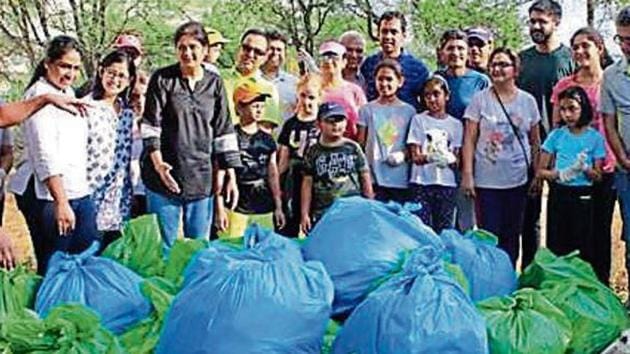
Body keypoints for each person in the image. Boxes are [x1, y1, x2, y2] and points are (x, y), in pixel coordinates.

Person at [141, 22, 241, 252]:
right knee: (163, 248)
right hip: (163, 178)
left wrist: (231, 176)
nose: (187, 53)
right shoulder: (163, 79)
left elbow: (223, 130)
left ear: (205, 49)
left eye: (193, 47)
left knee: (198, 248)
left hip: (200, 177)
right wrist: (158, 165)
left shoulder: (214, 83)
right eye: (182, 47)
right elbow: (150, 126)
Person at [9, 35, 100, 275]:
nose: (70, 73)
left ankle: (75, 307)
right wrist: (61, 201)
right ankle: (48, 310)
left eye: (75, 68)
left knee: (86, 251)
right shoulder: (38, 95)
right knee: (55, 260)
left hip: (77, 188)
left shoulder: (68, 92)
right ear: (48, 64)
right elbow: (44, 153)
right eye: (64, 66)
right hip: (47, 194)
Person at [461, 48, 541, 266]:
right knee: (488, 236)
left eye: (503, 64)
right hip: (486, 181)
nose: (497, 69)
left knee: (512, 236)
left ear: (515, 69)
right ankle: (491, 281)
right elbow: (469, 139)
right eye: (494, 64)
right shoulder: (479, 100)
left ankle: (509, 282)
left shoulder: (527, 101)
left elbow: (535, 141)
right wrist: (468, 174)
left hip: (518, 180)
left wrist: (537, 175)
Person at [550, 27, 615, 284]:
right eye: (574, 47)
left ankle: (600, 290)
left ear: (599, 48)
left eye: (585, 46)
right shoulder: (565, 86)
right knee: (567, 236)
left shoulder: (610, 81)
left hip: (607, 168)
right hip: (570, 176)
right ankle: (566, 289)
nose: (579, 52)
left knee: (599, 233)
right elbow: (557, 129)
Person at [518, 0, 574, 268]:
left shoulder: (570, 59)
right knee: (530, 220)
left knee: (562, 218)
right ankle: (530, 273)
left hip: (564, 151)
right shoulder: (522, 61)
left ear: (557, 22)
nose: (536, 26)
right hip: (528, 150)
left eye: (542, 21)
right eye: (532, 21)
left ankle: (559, 274)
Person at [538, 86, 605, 262]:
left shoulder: (595, 138)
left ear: (583, 108)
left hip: (583, 195)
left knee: (583, 245)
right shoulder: (556, 135)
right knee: (558, 243)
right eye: (563, 109)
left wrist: (584, 168)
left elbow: (598, 176)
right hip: (560, 193)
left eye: (572, 109)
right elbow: (541, 170)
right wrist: (559, 174)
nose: (567, 114)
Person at [216, 81, 285, 238]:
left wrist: (278, 206)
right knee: (233, 248)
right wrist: (219, 208)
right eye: (254, 105)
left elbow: (272, 174)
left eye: (261, 104)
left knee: (264, 249)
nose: (259, 108)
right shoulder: (229, 137)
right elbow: (220, 173)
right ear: (239, 108)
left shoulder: (268, 140)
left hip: (263, 204)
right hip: (236, 204)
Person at [437, 29, 490, 231]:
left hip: (472, 156)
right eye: (450, 48)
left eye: (461, 48)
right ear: (442, 52)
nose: (456, 53)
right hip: (443, 157)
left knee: (469, 217)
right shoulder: (437, 79)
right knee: (445, 216)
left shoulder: (480, 81)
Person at [84, 50, 136, 248]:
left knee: (113, 255)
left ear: (130, 80)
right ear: (101, 72)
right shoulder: (86, 107)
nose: (115, 79)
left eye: (122, 75)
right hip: (89, 195)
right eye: (111, 73)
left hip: (118, 198)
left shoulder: (127, 113)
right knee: (88, 253)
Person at [300, 102, 374, 233]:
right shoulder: (313, 151)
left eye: (340, 120)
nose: (336, 125)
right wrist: (305, 214)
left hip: (353, 209)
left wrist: (370, 206)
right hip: (324, 211)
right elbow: (307, 183)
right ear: (319, 124)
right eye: (330, 121)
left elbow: (365, 176)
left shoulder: (353, 147)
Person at [408, 75, 463, 233]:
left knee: (445, 230)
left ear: (446, 96)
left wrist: (448, 158)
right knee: (421, 230)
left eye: (436, 94)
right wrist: (431, 157)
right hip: (421, 183)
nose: (432, 99)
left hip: (446, 184)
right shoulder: (419, 120)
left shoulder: (455, 124)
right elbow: (415, 156)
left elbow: (456, 159)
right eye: (427, 95)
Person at [357, 59, 415, 203]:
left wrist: (402, 155)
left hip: (400, 181)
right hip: (374, 180)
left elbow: (413, 147)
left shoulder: (409, 111)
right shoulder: (366, 110)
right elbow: (360, 145)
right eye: (380, 79)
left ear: (400, 81)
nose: (384, 84)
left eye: (389, 79)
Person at [602, 6, 630, 287]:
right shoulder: (611, 76)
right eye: (620, 39)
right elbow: (609, 123)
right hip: (627, 170)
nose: (625, 46)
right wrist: (623, 159)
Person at [277, 73, 322, 237]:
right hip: (294, 180)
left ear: (319, 98)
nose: (306, 101)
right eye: (303, 95)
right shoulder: (290, 124)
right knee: (289, 225)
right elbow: (283, 159)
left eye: (311, 97)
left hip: (317, 184)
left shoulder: (322, 124)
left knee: (315, 228)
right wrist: (278, 184)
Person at [360, 11, 430, 110]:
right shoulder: (368, 64)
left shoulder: (418, 69)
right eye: (384, 31)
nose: (388, 37)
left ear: (403, 35)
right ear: (378, 34)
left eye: (394, 32)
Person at [224, 28, 281, 126]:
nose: (250, 54)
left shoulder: (269, 90)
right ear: (239, 49)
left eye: (258, 52)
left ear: (265, 57)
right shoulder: (217, 78)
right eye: (246, 48)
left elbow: (265, 129)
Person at [319, 40, 367, 141]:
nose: (329, 61)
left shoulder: (355, 91)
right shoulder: (313, 90)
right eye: (325, 57)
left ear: (344, 62)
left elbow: (364, 123)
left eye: (334, 58)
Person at [261, 30, 298, 122]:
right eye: (271, 49)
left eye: (279, 50)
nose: (275, 53)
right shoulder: (251, 79)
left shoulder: (295, 83)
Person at [130, 70, 149, 217]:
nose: (140, 101)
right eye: (136, 96)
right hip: (124, 193)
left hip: (148, 192)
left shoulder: (157, 125)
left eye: (145, 96)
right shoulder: (119, 122)